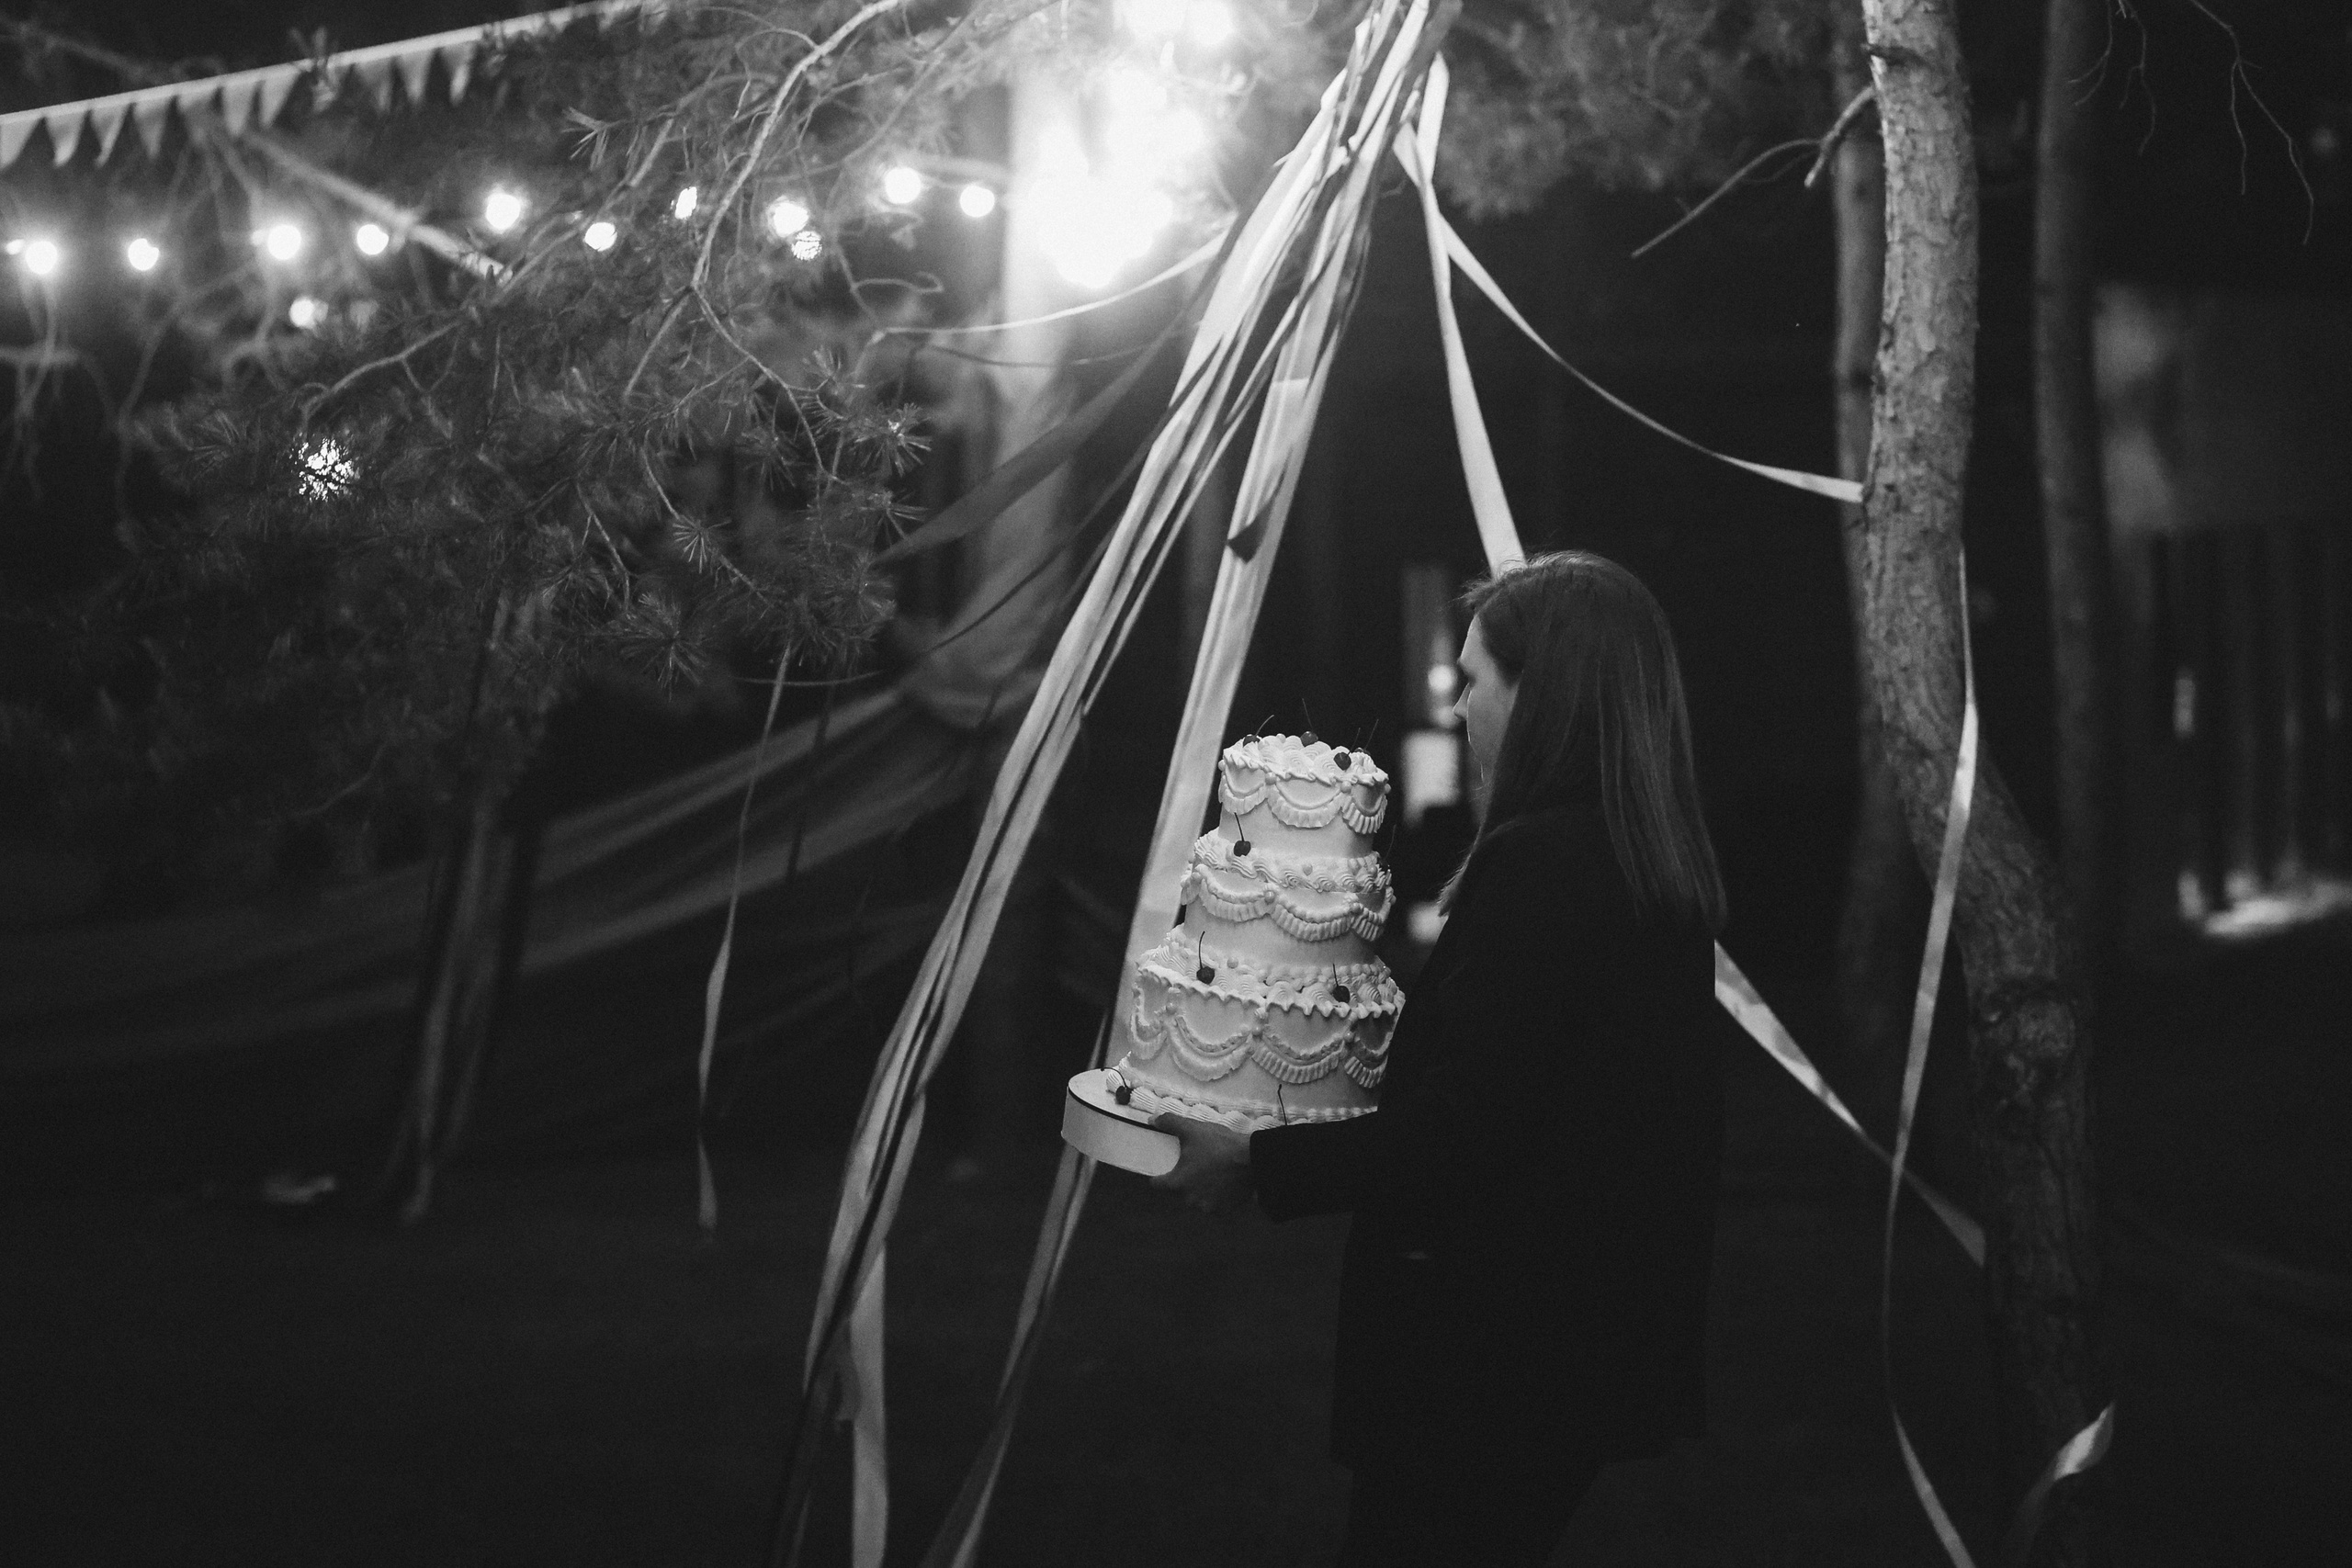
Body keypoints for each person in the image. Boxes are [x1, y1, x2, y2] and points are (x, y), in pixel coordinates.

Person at [1152, 551, 1729, 1567]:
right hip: (1578, 1346)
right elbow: (1536, 1096)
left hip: (1489, 1365)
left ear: (1539, 694)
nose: (1461, 709)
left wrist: (1249, 1163)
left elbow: (1458, 1136)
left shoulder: (1540, 867)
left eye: (1475, 681)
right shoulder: (1644, 864)